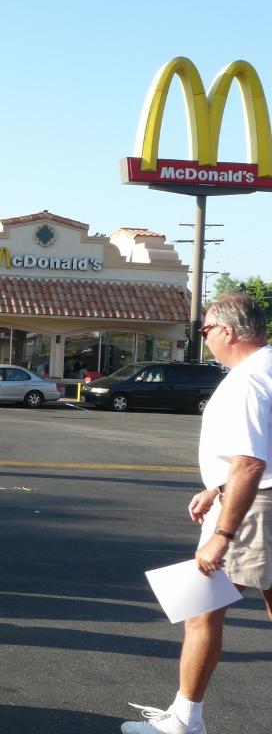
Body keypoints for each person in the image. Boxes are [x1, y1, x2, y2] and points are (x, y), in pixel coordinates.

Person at [122, 293, 272, 734]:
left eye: (205, 330)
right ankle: (184, 717)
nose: (204, 339)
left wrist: (222, 533)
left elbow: (251, 462)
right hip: (252, 496)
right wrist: (218, 487)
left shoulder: (247, 381)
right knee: (210, 611)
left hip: (254, 506)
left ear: (228, 331)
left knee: (201, 613)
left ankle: (185, 720)